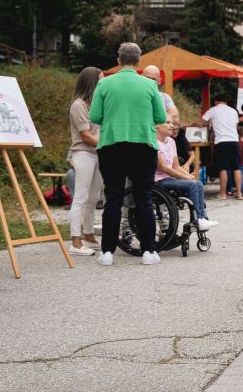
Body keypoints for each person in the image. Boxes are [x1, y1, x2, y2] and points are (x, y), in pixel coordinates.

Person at [90, 42, 168, 266]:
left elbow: (95, 116)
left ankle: (107, 253)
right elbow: (161, 117)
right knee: (144, 198)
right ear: (139, 61)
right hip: (143, 145)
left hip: (111, 144)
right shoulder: (149, 85)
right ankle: (149, 251)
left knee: (113, 198)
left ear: (118, 60)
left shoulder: (104, 83)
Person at [154, 121, 218, 231]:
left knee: (198, 183)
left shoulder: (171, 142)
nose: (172, 126)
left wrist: (188, 175)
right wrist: (184, 177)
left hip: (170, 178)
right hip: (158, 179)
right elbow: (163, 167)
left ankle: (202, 219)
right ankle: (197, 220)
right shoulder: (155, 142)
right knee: (192, 185)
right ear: (157, 126)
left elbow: (176, 166)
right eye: (167, 122)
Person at [67, 67, 103, 256]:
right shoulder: (78, 105)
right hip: (84, 153)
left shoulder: (98, 103)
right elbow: (86, 136)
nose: (103, 83)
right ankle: (75, 241)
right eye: (101, 80)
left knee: (94, 197)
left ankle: (89, 235)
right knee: (80, 197)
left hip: (98, 153)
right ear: (92, 83)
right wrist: (108, 144)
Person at [201, 95, 242, 199]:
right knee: (236, 168)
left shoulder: (213, 110)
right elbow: (235, 126)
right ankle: (239, 193)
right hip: (234, 141)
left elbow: (201, 122)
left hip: (221, 142)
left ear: (216, 101)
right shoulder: (233, 111)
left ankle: (223, 194)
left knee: (223, 168)